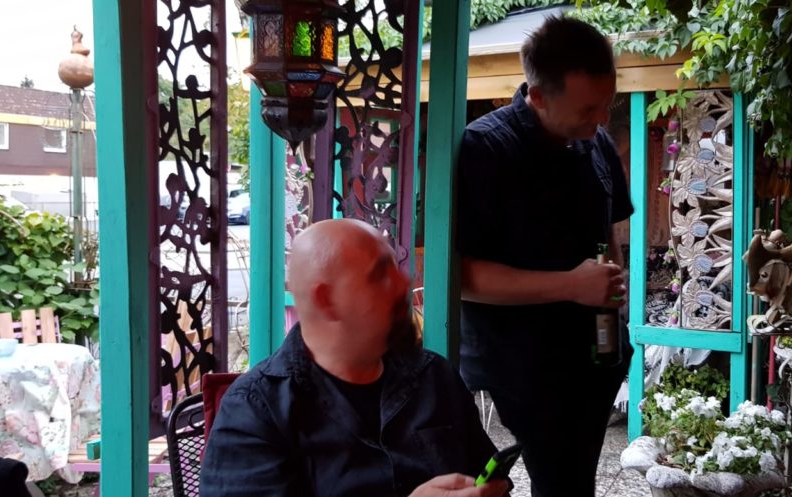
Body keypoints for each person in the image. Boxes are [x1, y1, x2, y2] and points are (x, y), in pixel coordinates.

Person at [456, 15, 634, 497]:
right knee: (559, 482)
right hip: (524, 364)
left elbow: (610, 226)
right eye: (588, 108)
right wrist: (571, 285)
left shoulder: (594, 141)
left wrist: (613, 288)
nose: (602, 119)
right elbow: (462, 277)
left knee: (575, 481)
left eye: (607, 104)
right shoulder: (486, 148)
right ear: (537, 96)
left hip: (597, 355)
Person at [201, 219, 509, 497]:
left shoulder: (434, 377)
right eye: (380, 275)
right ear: (327, 300)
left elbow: (487, 478)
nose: (403, 284)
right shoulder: (255, 411)